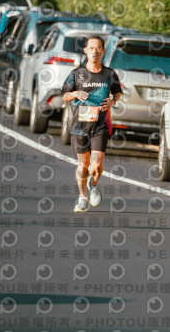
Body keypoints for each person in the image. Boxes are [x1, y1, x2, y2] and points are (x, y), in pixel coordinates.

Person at [61, 35, 122, 213]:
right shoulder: (77, 74)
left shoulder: (110, 74)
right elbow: (64, 94)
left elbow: (117, 93)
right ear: (86, 50)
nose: (95, 51)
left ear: (103, 51)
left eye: (98, 48)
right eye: (91, 48)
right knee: (83, 165)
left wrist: (112, 101)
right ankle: (82, 197)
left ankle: (93, 184)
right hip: (80, 126)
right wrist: (75, 94)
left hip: (100, 125)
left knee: (96, 164)